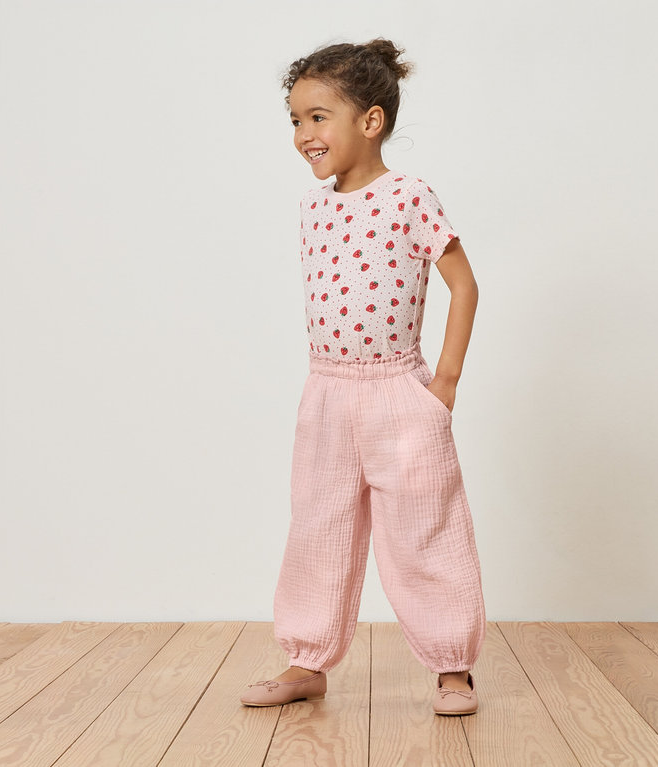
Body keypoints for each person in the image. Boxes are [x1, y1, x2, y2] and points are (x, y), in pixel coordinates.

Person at [240, 38, 486, 716]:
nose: (303, 135)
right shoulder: (312, 209)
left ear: (370, 121)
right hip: (325, 390)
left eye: (318, 117)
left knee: (424, 524)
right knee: (318, 522)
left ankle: (452, 665)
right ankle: (306, 660)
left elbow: (463, 287)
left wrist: (444, 386)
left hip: (396, 389)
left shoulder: (410, 197)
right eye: (294, 120)